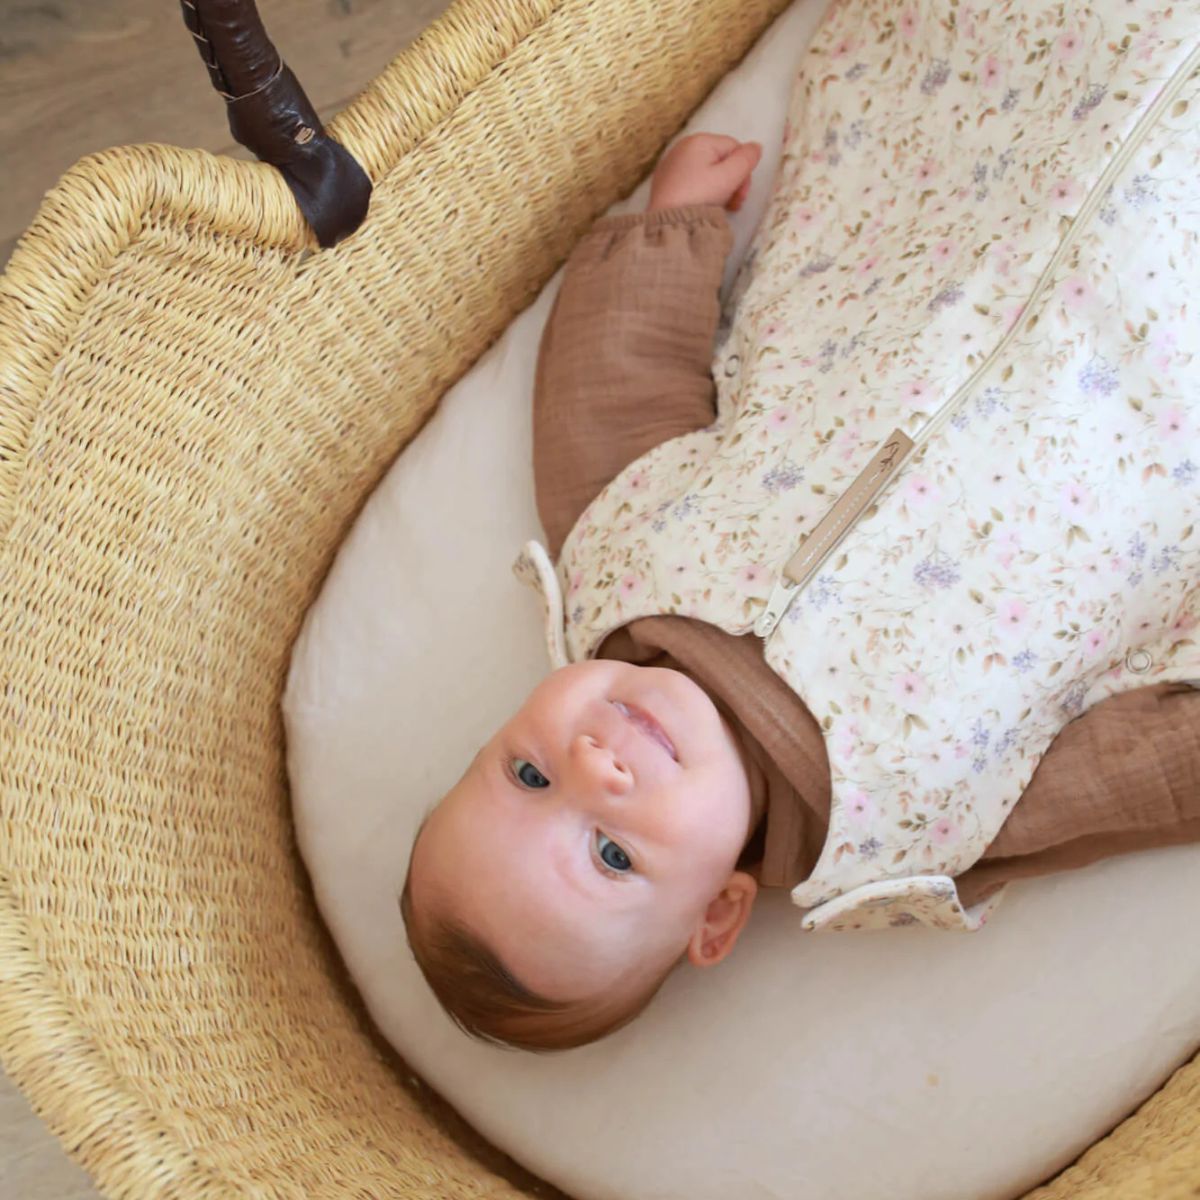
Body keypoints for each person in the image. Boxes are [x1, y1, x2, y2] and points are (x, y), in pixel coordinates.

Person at [401, 0, 1200, 1053]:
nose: (595, 766)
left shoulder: (614, 560)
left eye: (528, 774)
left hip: (972, 194)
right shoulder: (910, 827)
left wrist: (672, 227)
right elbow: (1132, 775)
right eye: (612, 855)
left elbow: (613, 384)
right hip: (1152, 394)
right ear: (718, 914)